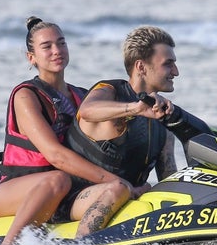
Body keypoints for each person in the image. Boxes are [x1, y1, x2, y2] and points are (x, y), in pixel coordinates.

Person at [0, 17, 146, 245]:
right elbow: (56, 156)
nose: (56, 50)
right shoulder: (26, 95)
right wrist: (117, 178)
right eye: (47, 46)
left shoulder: (82, 96)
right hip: (17, 190)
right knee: (58, 178)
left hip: (67, 192)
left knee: (117, 189)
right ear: (31, 58)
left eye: (61, 43)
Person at [66, 26, 181, 188]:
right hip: (77, 198)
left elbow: (170, 183)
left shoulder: (162, 121)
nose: (176, 72)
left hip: (130, 202)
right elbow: (87, 111)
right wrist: (136, 108)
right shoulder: (110, 91)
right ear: (140, 67)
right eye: (168, 64)